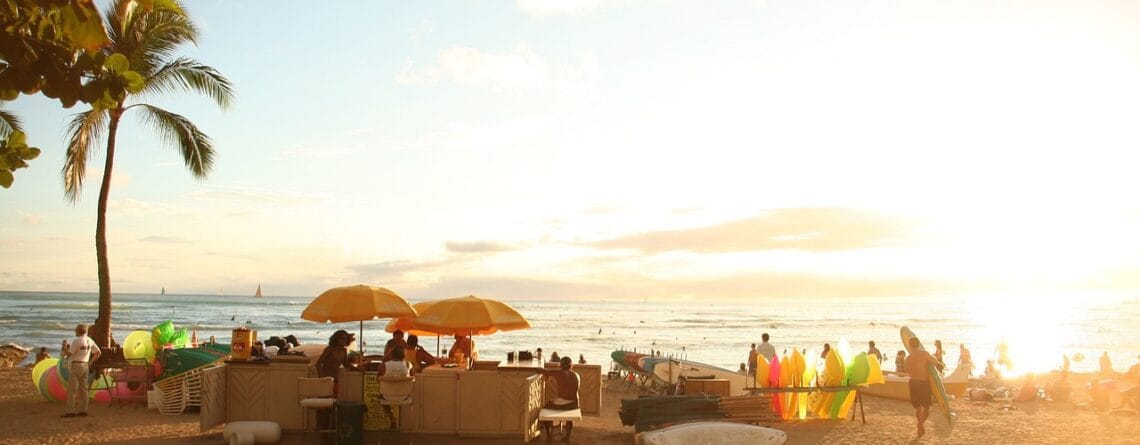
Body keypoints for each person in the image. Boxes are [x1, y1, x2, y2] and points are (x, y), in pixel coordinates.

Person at [904, 336, 943, 438]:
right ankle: (920, 424)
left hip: (912, 383)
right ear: (918, 343)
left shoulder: (907, 358)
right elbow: (936, 362)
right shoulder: (924, 354)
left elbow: (907, 371)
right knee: (926, 408)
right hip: (923, 383)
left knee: (918, 407)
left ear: (910, 345)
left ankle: (920, 426)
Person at [62, 324, 101, 418]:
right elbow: (98, 352)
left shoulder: (77, 341)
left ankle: (70, 411)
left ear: (79, 331)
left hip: (76, 364)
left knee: (72, 390)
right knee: (84, 389)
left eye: (76, 330)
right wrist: (90, 362)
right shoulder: (89, 340)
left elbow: (69, 354)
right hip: (85, 364)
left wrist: (64, 348)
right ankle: (83, 410)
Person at [539, 357, 580, 442]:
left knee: (546, 409)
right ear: (571, 365)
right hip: (574, 404)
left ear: (560, 365)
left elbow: (544, 371)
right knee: (569, 418)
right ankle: (567, 436)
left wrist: (537, 368)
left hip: (564, 404)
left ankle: (549, 436)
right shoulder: (576, 375)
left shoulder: (559, 373)